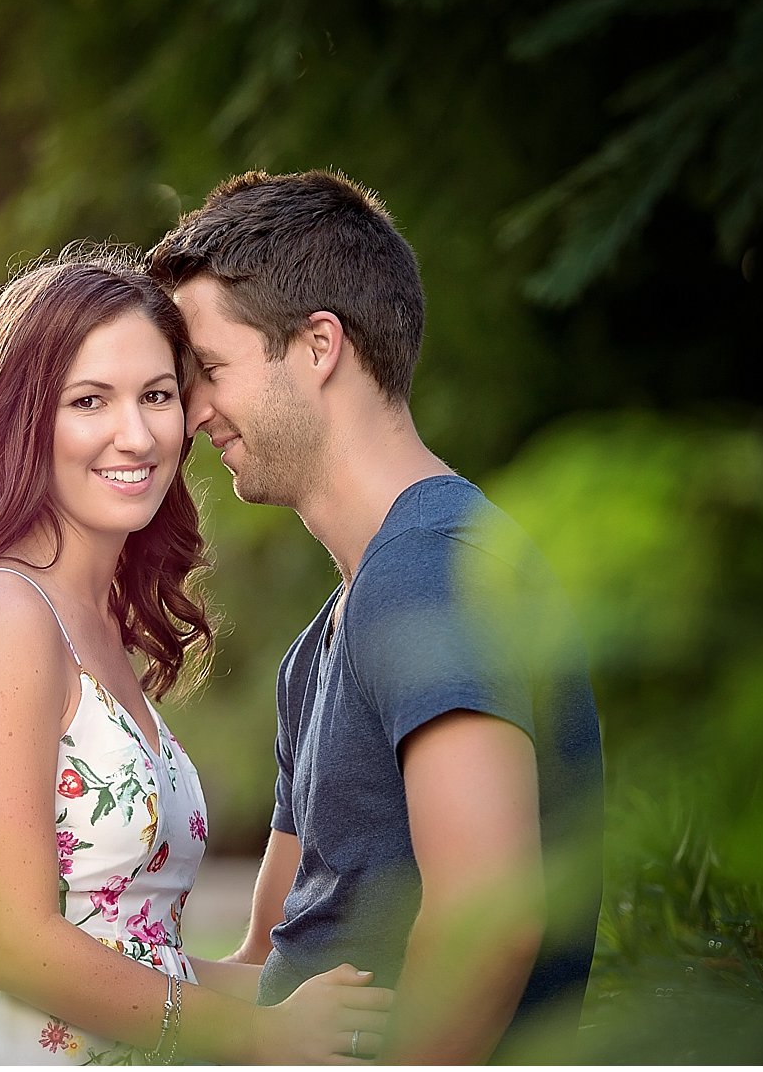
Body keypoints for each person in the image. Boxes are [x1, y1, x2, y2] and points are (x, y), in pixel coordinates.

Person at [0, 246, 394, 1066]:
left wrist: (287, 991)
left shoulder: (90, 625)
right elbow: (14, 943)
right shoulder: (2, 613)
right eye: (90, 400)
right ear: (25, 418)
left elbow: (131, 953)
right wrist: (262, 1036)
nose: (136, 435)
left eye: (157, 396)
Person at [146, 171, 604, 1063]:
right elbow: (271, 964)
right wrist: (56, 971)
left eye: (208, 371)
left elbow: (486, 923)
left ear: (319, 345)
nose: (191, 414)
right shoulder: (325, 640)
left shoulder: (433, 570)